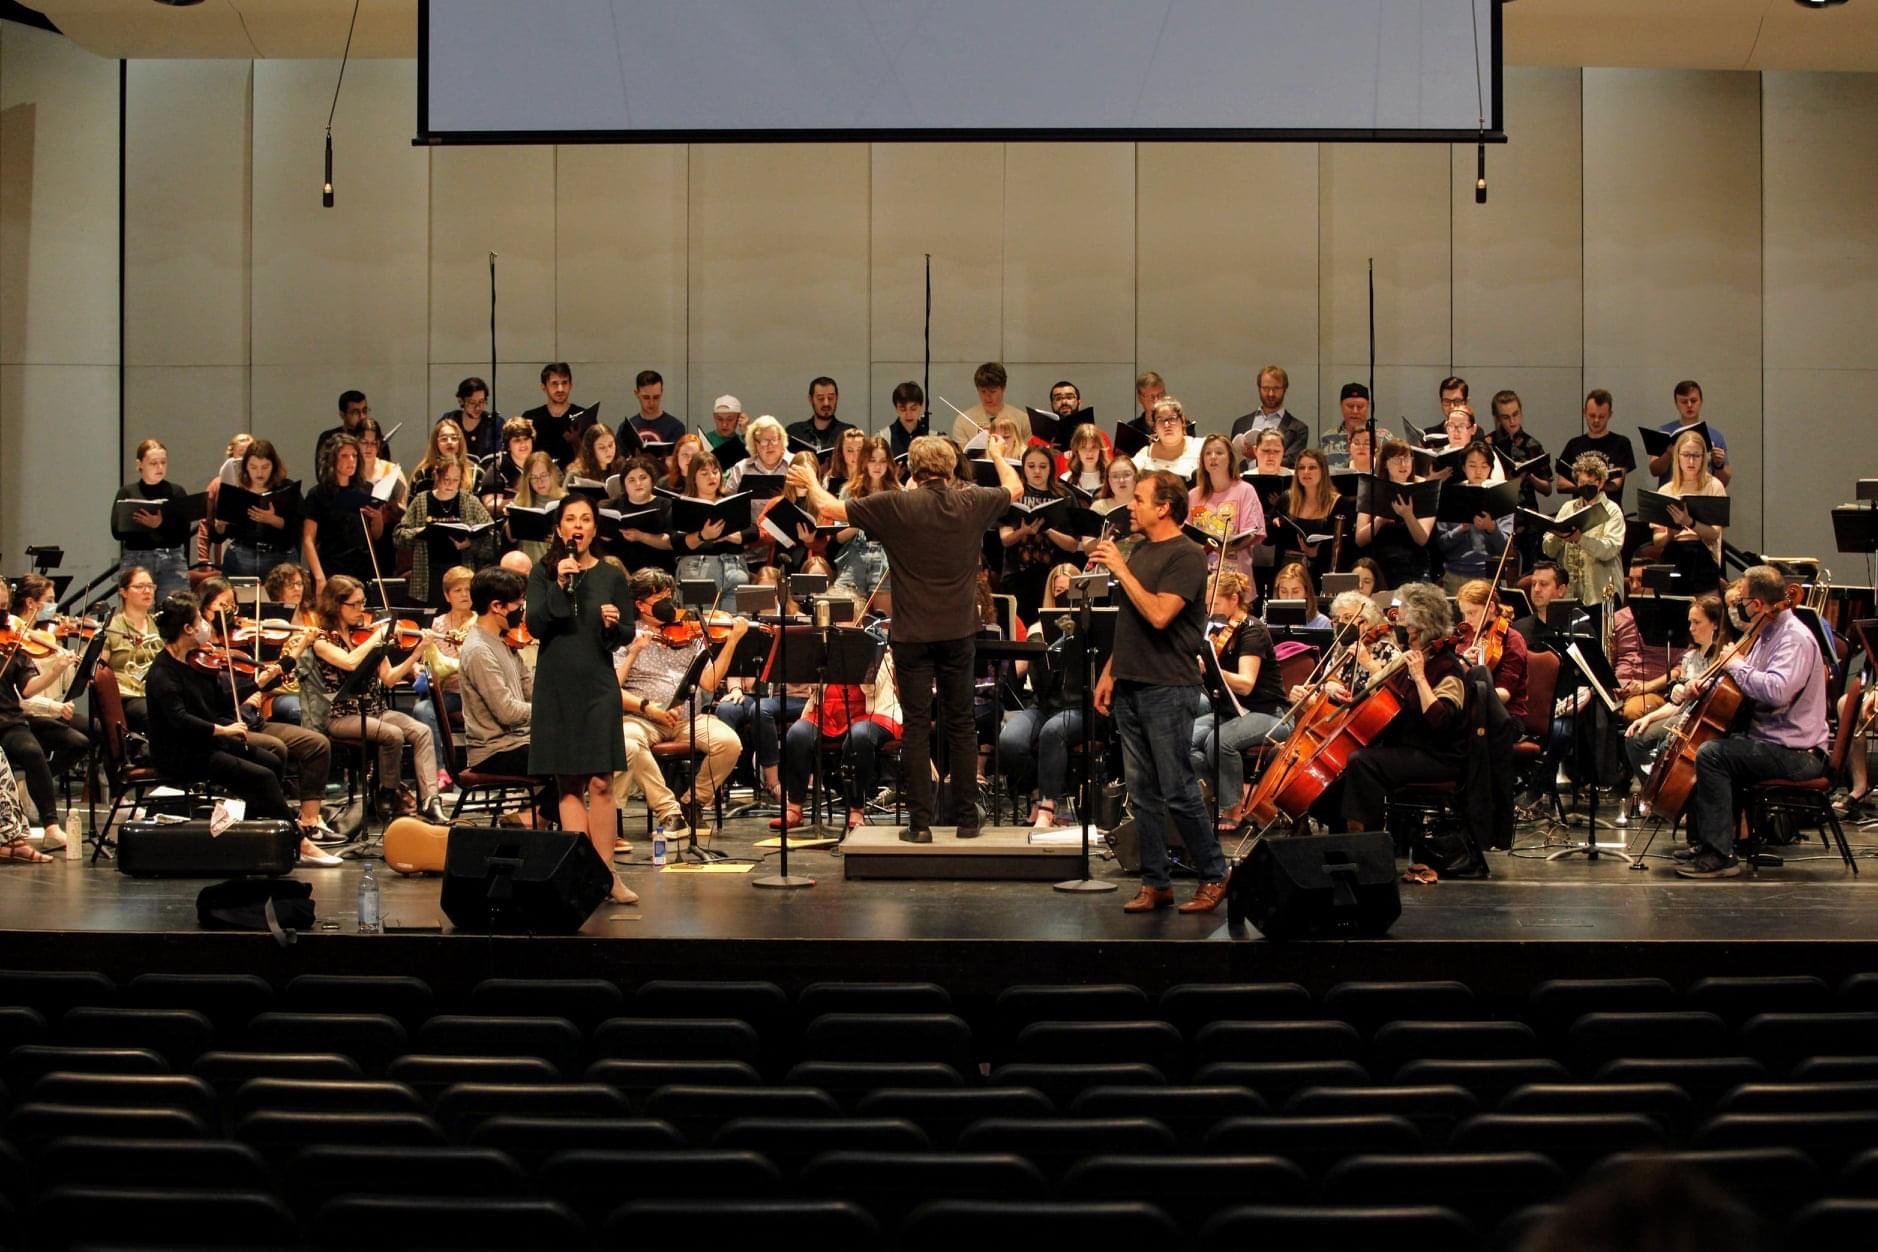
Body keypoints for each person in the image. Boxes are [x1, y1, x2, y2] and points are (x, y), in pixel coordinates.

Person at [788, 432, 1023, 841]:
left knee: (916, 726)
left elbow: (827, 507)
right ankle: (967, 820)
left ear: (910, 471)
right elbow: (1015, 487)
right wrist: (998, 454)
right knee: (962, 724)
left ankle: (919, 825)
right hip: (959, 632)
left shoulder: (896, 504)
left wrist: (809, 476)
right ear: (951, 469)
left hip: (912, 633)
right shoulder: (972, 501)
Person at [1091, 469, 1224, 914]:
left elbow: (1160, 615)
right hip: (1132, 684)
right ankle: (1156, 881)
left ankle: (1213, 874)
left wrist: (1121, 569)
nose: (1131, 505)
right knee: (1141, 791)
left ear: (1164, 507)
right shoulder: (1141, 550)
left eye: (1140, 499)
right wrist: (1111, 670)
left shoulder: (1186, 555)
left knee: (1179, 789)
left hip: (1168, 687)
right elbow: (1131, 622)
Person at [1672, 566, 1829, 879]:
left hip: (1799, 754)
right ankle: (1710, 841)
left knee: (1712, 754)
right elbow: (1740, 687)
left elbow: (1776, 691)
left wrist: (1737, 665)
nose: (1735, 607)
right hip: (1772, 742)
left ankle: (1721, 855)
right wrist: (1703, 685)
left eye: (1739, 600)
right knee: (1706, 744)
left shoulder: (1793, 638)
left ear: (1756, 604)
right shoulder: (1764, 634)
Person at [525, 495, 638, 904]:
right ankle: (581, 874)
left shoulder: (610, 574)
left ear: (594, 528)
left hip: (597, 685)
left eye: (585, 519)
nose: (578, 525)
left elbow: (627, 630)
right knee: (568, 782)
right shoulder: (543, 573)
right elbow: (536, 624)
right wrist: (558, 583)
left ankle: (607, 875)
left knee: (601, 781)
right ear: (559, 528)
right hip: (556, 685)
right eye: (570, 518)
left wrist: (614, 625)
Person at [190, 577, 341, 860]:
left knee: (317, 743)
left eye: (233, 605)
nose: (232, 613)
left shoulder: (240, 642)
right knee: (274, 749)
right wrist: (251, 692)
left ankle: (310, 821)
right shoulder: (198, 654)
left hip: (255, 719)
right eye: (223, 606)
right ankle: (272, 817)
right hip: (228, 725)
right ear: (205, 609)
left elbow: (268, 677)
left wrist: (295, 650)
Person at [1315, 581, 1471, 834]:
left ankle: (1366, 839)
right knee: (1343, 761)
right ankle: (1341, 830)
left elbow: (1440, 720)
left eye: (1407, 628)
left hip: (1436, 755)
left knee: (1362, 762)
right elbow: (1378, 687)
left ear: (1424, 627)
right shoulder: (1409, 657)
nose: (1399, 629)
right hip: (1406, 746)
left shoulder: (1447, 667)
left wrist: (1419, 678)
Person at [611, 568, 748, 841]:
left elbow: (709, 682)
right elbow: (611, 688)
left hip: (688, 719)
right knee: (626, 743)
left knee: (729, 742)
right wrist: (635, 652)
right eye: (659, 599)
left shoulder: (688, 632)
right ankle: (668, 810)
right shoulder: (625, 636)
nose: (669, 605)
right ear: (640, 604)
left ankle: (692, 802)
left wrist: (731, 642)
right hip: (642, 718)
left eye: (669, 597)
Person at [309, 575, 444, 823]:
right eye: (355, 604)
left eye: (363, 603)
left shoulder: (364, 634)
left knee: (421, 730)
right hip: (341, 715)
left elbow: (390, 678)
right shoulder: (322, 639)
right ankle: (388, 792)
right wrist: (379, 635)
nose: (362, 609)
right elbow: (350, 662)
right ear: (336, 605)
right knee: (391, 733)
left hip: (375, 710)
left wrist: (418, 651)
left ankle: (430, 801)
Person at [1190, 568, 1292, 830]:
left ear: (1234, 599)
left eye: (1216, 602)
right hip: (1232, 712)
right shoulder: (1215, 630)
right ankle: (1208, 798)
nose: (1210, 610)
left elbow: (1246, 685)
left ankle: (1233, 806)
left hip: (1270, 714)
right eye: (1207, 604)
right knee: (1185, 739)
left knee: (1219, 741)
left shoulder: (1252, 631)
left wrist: (1213, 668)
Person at [999, 562, 1092, 830]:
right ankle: (1036, 794)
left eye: (1067, 590)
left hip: (1076, 706)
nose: (1061, 595)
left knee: (1053, 731)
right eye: (1057, 589)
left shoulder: (1089, 625)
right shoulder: (1037, 628)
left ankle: (1049, 807)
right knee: (1010, 739)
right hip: (1043, 704)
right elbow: (1022, 675)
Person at [455, 566, 548, 810]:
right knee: (569, 758)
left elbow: (530, 692)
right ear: (497, 606)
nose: (522, 610)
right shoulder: (479, 650)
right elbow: (507, 713)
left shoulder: (506, 640)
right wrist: (549, 711)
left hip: (518, 741)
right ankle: (537, 818)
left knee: (579, 746)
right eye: (519, 604)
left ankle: (537, 816)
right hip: (494, 750)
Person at [1622, 592, 1731, 784]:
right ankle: (1653, 793)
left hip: (1701, 720)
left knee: (1667, 744)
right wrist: (1647, 718)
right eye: (1690, 622)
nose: (1691, 628)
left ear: (1715, 624)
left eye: (1697, 623)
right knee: (1635, 738)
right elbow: (1675, 704)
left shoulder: (1723, 657)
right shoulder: (1689, 657)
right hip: (1682, 714)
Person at [395, 460, 496, 610]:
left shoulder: (469, 501)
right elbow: (398, 535)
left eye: (455, 480)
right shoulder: (422, 500)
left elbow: (492, 536)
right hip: (429, 575)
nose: (450, 484)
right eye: (446, 479)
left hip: (462, 572)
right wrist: (417, 532)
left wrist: (469, 543)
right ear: (437, 476)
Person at [1000, 445, 1082, 624]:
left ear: (1051, 468)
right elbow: (1005, 539)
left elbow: (1073, 545)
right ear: (1023, 468)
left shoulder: (1065, 496)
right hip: (1019, 574)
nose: (1037, 471)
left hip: (1053, 576)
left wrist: (1047, 528)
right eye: (1031, 466)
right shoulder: (1013, 494)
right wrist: (1023, 531)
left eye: (1043, 466)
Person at [1542, 452, 1627, 608]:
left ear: (1600, 483)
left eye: (1590, 483)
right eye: (1581, 483)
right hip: (1570, 595)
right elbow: (1549, 550)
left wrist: (1580, 539)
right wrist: (1558, 535)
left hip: (1600, 596)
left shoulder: (1612, 510)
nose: (1585, 487)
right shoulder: (1568, 508)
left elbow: (1609, 549)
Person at [112, 438, 193, 599]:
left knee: (175, 609)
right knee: (138, 610)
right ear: (140, 464)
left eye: (163, 462)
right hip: (137, 557)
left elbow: (184, 532)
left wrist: (160, 524)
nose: (160, 467)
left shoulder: (176, 492)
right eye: (153, 463)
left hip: (171, 558)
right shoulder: (128, 492)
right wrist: (143, 524)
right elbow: (116, 531)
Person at [209, 439, 300, 579]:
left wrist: (273, 520)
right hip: (241, 557)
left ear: (274, 466)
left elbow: (298, 527)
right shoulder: (236, 491)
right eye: (253, 467)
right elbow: (218, 536)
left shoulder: (286, 488)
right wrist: (220, 526)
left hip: (279, 557)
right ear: (245, 467)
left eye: (265, 467)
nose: (259, 473)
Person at [300, 434, 378, 593]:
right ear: (332, 459)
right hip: (331, 567)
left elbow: (375, 535)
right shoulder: (318, 494)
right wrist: (319, 577)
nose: (351, 460)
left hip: (361, 567)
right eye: (344, 456)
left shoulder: (366, 490)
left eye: (355, 456)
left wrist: (378, 518)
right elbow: (308, 539)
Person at [1649, 429, 1728, 582]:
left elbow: (1714, 533)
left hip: (1704, 560)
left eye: (1696, 456)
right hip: (1674, 558)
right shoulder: (1666, 490)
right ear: (1677, 456)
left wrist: (1689, 522)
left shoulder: (1714, 486)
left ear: (1704, 457)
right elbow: (1658, 540)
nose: (1691, 462)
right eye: (1686, 455)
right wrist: (1670, 533)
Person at [1434, 442, 1513, 592]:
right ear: (1463, 467)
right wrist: (1461, 529)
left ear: (1490, 468)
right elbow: (1442, 545)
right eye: (1472, 465)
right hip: (1454, 573)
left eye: (1484, 466)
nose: (1478, 471)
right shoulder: (1451, 495)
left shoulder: (1502, 495)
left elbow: (1505, 547)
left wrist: (1491, 528)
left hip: (1488, 575)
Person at [1355, 440, 1432, 590]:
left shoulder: (1424, 488)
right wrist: (1380, 520)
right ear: (1385, 463)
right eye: (1397, 460)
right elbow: (1359, 539)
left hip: (1414, 566)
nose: (1403, 464)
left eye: (1407, 458)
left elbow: (1422, 539)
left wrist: (1408, 515)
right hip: (1380, 566)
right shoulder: (1372, 489)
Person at [1187, 434, 1266, 579]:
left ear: (1230, 458)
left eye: (1219, 452)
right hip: (1202, 574)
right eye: (1208, 453)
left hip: (1236, 576)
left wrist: (1226, 548)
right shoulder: (1193, 495)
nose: (1213, 457)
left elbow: (1251, 533)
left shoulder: (1245, 491)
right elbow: (1186, 535)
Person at [672, 452, 752, 592]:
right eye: (704, 473)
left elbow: (753, 530)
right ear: (693, 478)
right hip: (698, 568)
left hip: (733, 566)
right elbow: (676, 542)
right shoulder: (684, 504)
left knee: (739, 614)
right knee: (700, 613)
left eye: (715, 472)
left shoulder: (731, 500)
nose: (712, 477)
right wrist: (702, 536)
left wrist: (736, 536)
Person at [1456, 577, 1529, 720]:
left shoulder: (1513, 640)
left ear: (1490, 607)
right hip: (1473, 713)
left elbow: (1504, 694)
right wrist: (1461, 665)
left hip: (1506, 717)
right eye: (1464, 613)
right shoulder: (1466, 638)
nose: (1467, 620)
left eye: (1472, 613)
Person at [832, 436, 897, 594]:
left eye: (882, 461)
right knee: (843, 607)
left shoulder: (897, 493)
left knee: (884, 615)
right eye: (872, 460)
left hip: (885, 558)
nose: (877, 466)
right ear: (865, 462)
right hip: (855, 556)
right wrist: (863, 519)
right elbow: (839, 536)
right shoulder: (850, 491)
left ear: (888, 463)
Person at [103, 566, 162, 730]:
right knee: (158, 716)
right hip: (129, 697)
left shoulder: (160, 625)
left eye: (150, 586)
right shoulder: (113, 626)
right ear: (124, 592)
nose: (147, 591)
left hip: (159, 693)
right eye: (139, 586)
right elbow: (97, 669)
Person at [1556, 389, 1636, 505]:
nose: (1596, 420)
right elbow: (1561, 484)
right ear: (1584, 413)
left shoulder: (1621, 443)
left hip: (1609, 511)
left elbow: (1616, 484)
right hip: (1580, 511)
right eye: (1592, 415)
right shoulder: (1574, 444)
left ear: (1610, 415)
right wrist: (1591, 486)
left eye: (1601, 416)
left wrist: (1584, 485)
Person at [1272, 448, 1341, 581]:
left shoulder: (1338, 503)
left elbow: (1344, 545)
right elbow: (1269, 539)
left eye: (1312, 467)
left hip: (1321, 573)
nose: (1306, 472)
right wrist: (1274, 525)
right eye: (1301, 468)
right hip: (1286, 573)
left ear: (1323, 471)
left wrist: (1316, 553)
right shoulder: (1286, 499)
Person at [1648, 379, 1730, 487]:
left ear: (1701, 402)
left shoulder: (1715, 436)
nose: (1689, 405)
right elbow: (1654, 471)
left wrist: (1719, 464)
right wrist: (1668, 454)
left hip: (1704, 495)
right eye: (1684, 401)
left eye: (1693, 400)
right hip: (1671, 495)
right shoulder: (1664, 432)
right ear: (1676, 404)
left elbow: (1725, 482)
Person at [605, 455, 675, 574]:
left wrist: (641, 536)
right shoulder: (612, 506)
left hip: (658, 571)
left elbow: (671, 543)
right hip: (622, 572)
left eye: (643, 478)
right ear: (624, 485)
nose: (638, 483)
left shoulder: (665, 505)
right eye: (631, 480)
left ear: (652, 480)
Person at [1229, 364, 1310, 467]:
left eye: (1276, 388)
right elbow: (1231, 461)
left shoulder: (1298, 429)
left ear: (1285, 389)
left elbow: (1291, 463)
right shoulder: (1240, 424)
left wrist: (1256, 455)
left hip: (1279, 483)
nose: (1271, 394)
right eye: (1266, 388)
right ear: (1259, 388)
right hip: (1242, 482)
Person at [524, 362, 594, 467]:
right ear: (543, 387)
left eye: (564, 383)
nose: (560, 389)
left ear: (571, 386)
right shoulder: (530, 418)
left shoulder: (585, 417)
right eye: (554, 383)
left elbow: (594, 455)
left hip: (577, 480)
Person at [508, 452, 567, 568]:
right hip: (527, 563)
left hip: (556, 564)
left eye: (543, 475)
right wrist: (511, 517)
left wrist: (559, 538)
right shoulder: (521, 499)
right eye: (533, 478)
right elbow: (512, 539)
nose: (539, 482)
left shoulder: (565, 500)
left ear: (552, 474)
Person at [1319, 382, 1396, 470]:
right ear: (1341, 406)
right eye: (1350, 406)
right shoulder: (1327, 438)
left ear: (1368, 407)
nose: (1355, 411)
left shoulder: (1383, 437)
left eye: (1360, 406)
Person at [949, 361, 1028, 445]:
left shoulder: (1022, 419)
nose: (987, 397)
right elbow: (961, 455)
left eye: (992, 391)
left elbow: (1030, 454)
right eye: (983, 391)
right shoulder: (963, 421)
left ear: (1003, 388)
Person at [1133, 396, 1201, 479]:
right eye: (1160, 420)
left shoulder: (1200, 447)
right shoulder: (1145, 454)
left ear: (1182, 421)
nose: (1166, 425)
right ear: (1154, 427)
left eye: (1172, 419)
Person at [314, 389, 384, 469]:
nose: (362, 416)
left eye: (364, 411)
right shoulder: (328, 438)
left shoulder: (375, 439)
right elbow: (322, 471)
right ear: (342, 415)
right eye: (355, 412)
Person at [410, 417, 480, 496]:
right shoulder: (422, 474)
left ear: (460, 442)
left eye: (454, 438)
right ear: (436, 443)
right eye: (444, 439)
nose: (449, 442)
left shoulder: (476, 472)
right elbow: (412, 507)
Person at [723, 415, 791, 494]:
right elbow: (727, 499)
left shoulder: (796, 463)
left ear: (781, 439)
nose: (770, 445)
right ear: (755, 444)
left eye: (774, 439)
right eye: (764, 441)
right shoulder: (740, 468)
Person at [786, 376, 854, 454]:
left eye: (831, 398)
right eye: (820, 398)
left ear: (837, 398)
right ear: (810, 399)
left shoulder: (848, 433)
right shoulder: (794, 432)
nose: (826, 403)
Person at [483, 417, 537, 511]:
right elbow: (490, 504)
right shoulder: (499, 466)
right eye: (517, 440)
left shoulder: (542, 462)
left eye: (526, 439)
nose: (523, 444)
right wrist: (521, 501)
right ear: (508, 445)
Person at [442, 376, 501, 462]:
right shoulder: (449, 420)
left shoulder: (495, 423)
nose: (478, 408)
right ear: (461, 401)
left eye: (481, 401)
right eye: (472, 403)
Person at [622, 369, 685, 447]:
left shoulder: (676, 427)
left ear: (662, 392)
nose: (651, 403)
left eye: (656, 397)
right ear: (636, 394)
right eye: (646, 397)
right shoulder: (626, 429)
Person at [1269, 562, 1331, 630]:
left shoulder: (1322, 623)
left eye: (1295, 592)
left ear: (1306, 592)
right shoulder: (1267, 621)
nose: (1289, 598)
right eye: (1284, 592)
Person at [1063, 422, 1109, 495]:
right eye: (1083, 447)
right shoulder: (1065, 479)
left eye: (1094, 447)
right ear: (1076, 451)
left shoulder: (1111, 477)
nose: (1089, 453)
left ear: (1100, 450)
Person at [886, 381, 929, 460]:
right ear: (896, 409)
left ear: (921, 407)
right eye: (903, 409)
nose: (908, 414)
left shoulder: (933, 438)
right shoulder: (884, 437)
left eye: (913, 409)